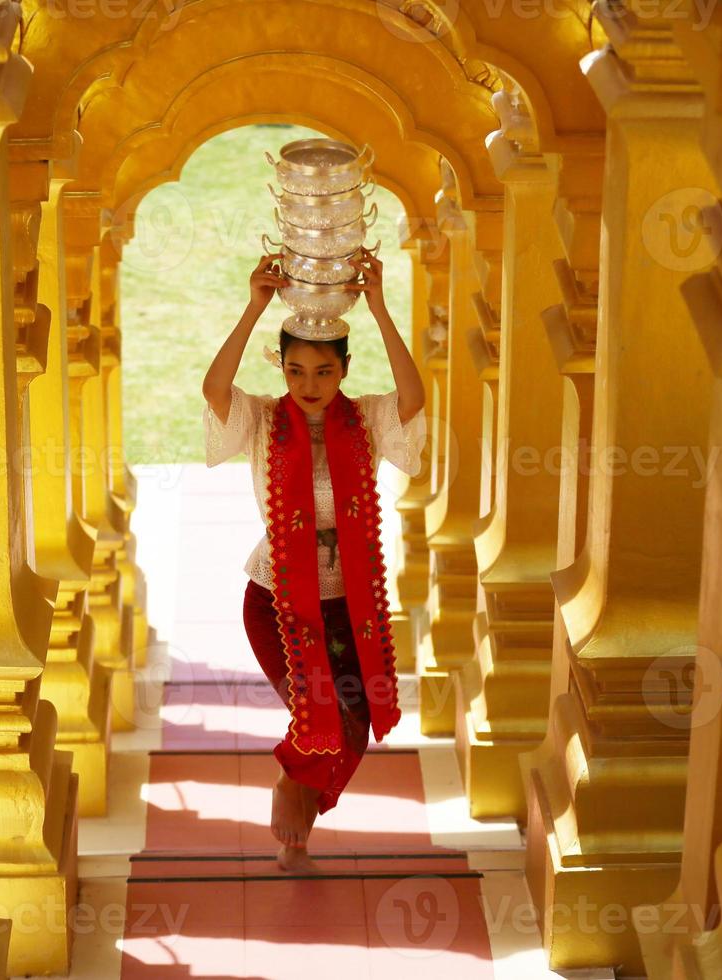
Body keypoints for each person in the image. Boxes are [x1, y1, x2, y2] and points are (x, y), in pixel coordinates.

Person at [200, 249, 427, 873]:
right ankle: (294, 794)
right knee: (317, 714)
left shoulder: (368, 422)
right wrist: (254, 307)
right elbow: (216, 390)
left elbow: (413, 398)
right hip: (275, 599)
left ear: (344, 371)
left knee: (354, 721)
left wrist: (379, 309)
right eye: (296, 371)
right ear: (283, 370)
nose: (308, 386)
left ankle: (293, 788)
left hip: (347, 602)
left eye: (323, 373)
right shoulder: (264, 421)